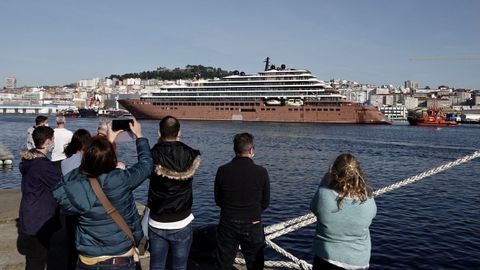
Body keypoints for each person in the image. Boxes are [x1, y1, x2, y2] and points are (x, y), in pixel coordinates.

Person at [52, 119, 153, 270]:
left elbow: (63, 184)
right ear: (112, 159)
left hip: (87, 259)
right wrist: (139, 136)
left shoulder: (76, 186)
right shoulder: (120, 179)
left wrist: (103, 147)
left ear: (86, 160)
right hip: (119, 257)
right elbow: (146, 165)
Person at [148, 115, 201, 270]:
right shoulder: (191, 155)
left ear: (159, 133)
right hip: (182, 219)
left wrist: (159, 144)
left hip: (157, 219)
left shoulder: (152, 155)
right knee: (180, 265)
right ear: (179, 133)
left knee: (156, 264)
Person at [310, 153, 377, 270]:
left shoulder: (323, 196)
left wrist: (325, 179)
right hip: (359, 262)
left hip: (326, 259)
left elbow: (314, 208)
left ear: (334, 173)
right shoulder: (369, 200)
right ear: (358, 173)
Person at [214, 133, 270, 270]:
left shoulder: (222, 170)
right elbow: (265, 202)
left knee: (224, 263)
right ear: (251, 150)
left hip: (228, 221)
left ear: (235, 150)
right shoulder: (261, 172)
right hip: (253, 222)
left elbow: (218, 200)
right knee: (255, 264)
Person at [17, 125, 67, 270]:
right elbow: (60, 186)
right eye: (52, 140)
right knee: (39, 259)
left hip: (29, 214)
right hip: (40, 219)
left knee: (33, 259)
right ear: (47, 142)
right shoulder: (42, 166)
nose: (53, 143)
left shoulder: (28, 161)